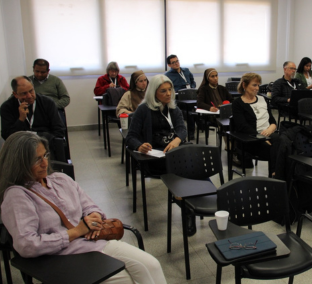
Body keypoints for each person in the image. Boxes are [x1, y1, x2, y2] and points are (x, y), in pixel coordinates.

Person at [0, 131, 167, 284]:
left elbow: (89, 205)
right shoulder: (17, 195)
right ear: (20, 163)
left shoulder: (61, 179)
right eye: (37, 159)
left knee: (152, 265)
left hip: (92, 243)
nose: (45, 163)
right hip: (61, 258)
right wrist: (75, 232)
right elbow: (27, 245)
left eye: (45, 155)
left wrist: (93, 216)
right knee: (126, 280)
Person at [125, 75, 195, 235]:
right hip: (155, 157)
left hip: (175, 153)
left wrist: (177, 140)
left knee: (192, 164)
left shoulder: (173, 108)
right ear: (153, 92)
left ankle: (186, 202)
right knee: (184, 170)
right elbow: (131, 137)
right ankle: (186, 206)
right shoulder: (143, 110)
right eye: (163, 91)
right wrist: (140, 145)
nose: (169, 94)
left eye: (170, 90)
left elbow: (182, 129)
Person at [0, 76, 65, 159]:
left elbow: (59, 129)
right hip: (21, 147)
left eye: (31, 91)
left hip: (46, 144)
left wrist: (46, 141)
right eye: (24, 93)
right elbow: (7, 136)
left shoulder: (47, 102)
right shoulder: (7, 107)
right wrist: (21, 119)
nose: (29, 96)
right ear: (15, 94)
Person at [232, 73, 278, 176]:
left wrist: (270, 129)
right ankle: (275, 177)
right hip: (251, 139)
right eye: (254, 85)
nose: (257, 88)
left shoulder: (263, 99)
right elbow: (242, 126)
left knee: (285, 144)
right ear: (244, 85)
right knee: (278, 149)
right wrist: (262, 138)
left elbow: (272, 120)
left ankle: (280, 177)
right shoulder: (238, 103)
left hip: (269, 134)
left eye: (258, 85)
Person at [165, 55, 196, 140]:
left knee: (191, 112)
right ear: (169, 65)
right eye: (173, 62)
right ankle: (179, 133)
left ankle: (191, 132)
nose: (176, 64)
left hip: (189, 96)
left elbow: (192, 81)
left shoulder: (186, 70)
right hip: (177, 98)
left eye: (177, 61)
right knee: (179, 113)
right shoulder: (167, 75)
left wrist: (192, 87)